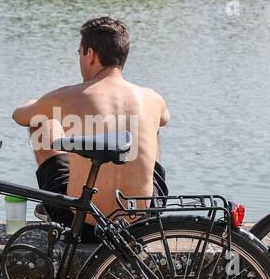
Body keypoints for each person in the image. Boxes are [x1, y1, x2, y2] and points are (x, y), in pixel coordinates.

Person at [12, 17, 169, 240]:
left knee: (42, 121)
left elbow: (19, 115)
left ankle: (60, 201)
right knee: (152, 129)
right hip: (142, 224)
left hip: (83, 224)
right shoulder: (152, 98)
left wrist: (41, 103)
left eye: (79, 53)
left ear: (91, 54)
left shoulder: (67, 96)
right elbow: (164, 118)